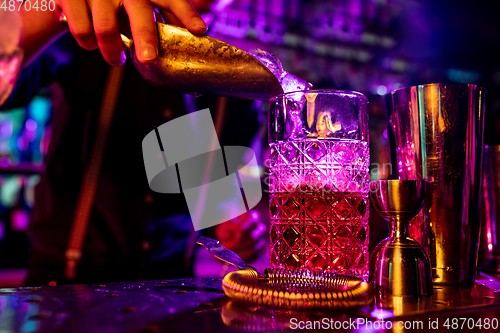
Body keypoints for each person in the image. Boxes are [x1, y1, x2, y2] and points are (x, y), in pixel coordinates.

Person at [1, 0, 267, 286]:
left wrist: (237, 231)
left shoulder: (239, 77)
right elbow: (7, 85)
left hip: (172, 283)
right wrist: (51, 10)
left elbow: (224, 204)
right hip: (70, 279)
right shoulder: (100, 27)